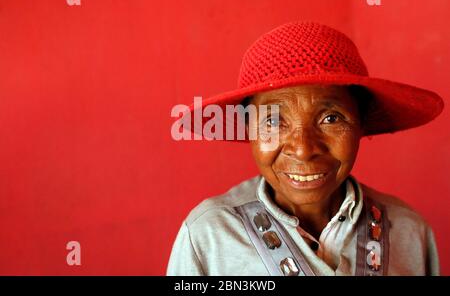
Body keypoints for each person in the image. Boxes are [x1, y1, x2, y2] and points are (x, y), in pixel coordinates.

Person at [167, 22, 443, 276]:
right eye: (273, 121)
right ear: (249, 129)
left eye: (331, 118)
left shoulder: (408, 231)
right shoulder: (209, 236)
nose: (303, 149)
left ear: (361, 123)